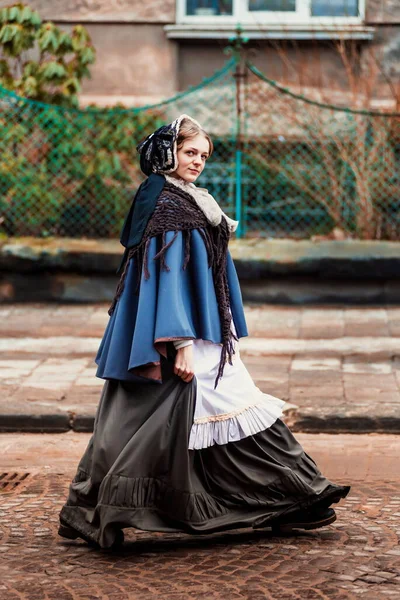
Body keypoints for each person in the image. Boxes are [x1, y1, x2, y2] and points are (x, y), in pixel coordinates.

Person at [58, 114, 350, 549]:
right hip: (186, 335)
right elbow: (168, 276)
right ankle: (295, 495)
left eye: (203, 156)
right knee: (166, 419)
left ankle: (293, 497)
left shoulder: (185, 198)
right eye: (190, 152)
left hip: (201, 329)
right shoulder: (167, 205)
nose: (197, 161)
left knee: (148, 420)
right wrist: (181, 345)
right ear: (167, 152)